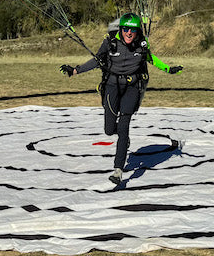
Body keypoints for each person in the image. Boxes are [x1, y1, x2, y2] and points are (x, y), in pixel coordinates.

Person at [61, 13, 182, 185]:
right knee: (109, 130)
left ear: (137, 31)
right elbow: (97, 60)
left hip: (132, 87)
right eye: (125, 29)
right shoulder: (110, 42)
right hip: (112, 86)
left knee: (124, 126)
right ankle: (123, 138)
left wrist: (168, 69)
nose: (129, 33)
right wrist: (75, 71)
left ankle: (118, 170)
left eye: (132, 30)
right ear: (121, 29)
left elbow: (150, 58)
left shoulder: (141, 43)